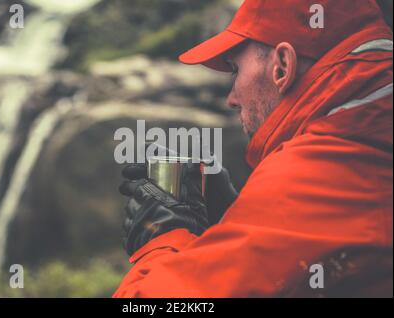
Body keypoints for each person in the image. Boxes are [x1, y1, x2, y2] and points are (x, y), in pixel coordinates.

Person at [114, 0, 393, 297]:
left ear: (282, 67)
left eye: (235, 70)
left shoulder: (316, 173)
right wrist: (232, 216)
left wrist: (161, 241)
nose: (231, 99)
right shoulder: (367, 138)